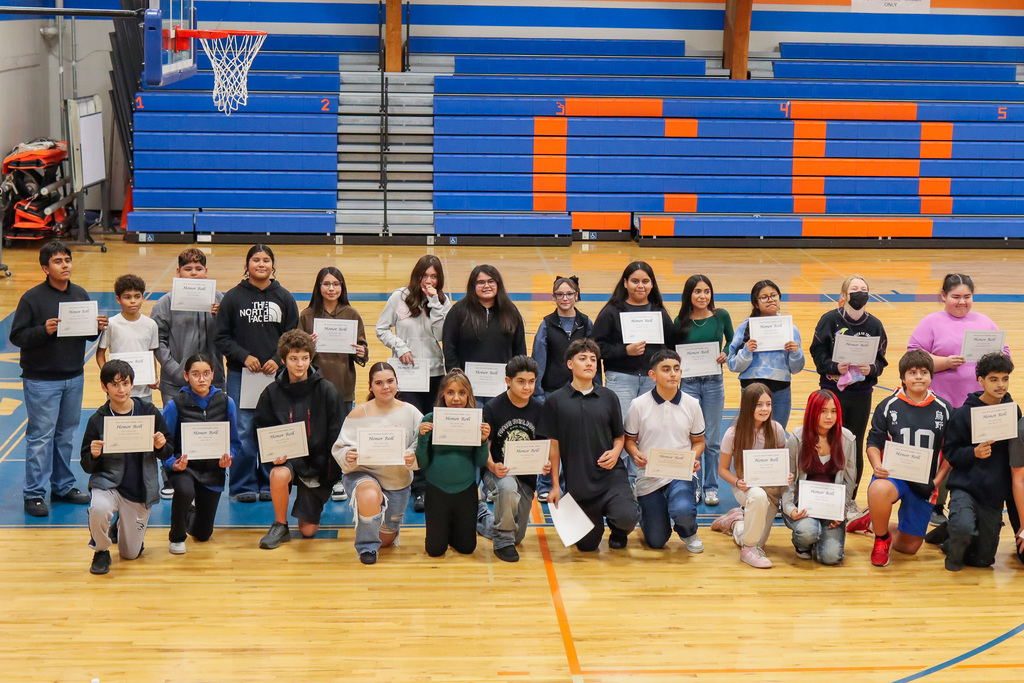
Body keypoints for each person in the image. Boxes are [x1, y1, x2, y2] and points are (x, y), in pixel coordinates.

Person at [10, 240, 108, 517]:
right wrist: (44, 330)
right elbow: (17, 336)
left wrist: (96, 327)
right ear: (45, 268)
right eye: (58, 261)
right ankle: (34, 494)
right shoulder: (32, 298)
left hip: (74, 377)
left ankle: (63, 486)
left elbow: (86, 335)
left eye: (67, 260)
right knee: (41, 437)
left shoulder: (79, 294)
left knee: (65, 436)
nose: (65, 265)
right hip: (41, 380)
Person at [907, 273, 1009, 525]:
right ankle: (935, 504)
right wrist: (943, 362)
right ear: (943, 296)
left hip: (977, 404)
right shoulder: (931, 322)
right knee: (941, 456)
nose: (962, 302)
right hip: (941, 403)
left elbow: (1005, 355)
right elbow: (913, 359)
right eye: (956, 297)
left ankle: (967, 503)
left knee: (974, 453)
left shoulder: (984, 322)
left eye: (967, 297)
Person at [846, 351, 952, 567]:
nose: (919, 377)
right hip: (895, 476)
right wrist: (877, 466)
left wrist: (937, 482)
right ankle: (881, 539)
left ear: (931, 376)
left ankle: (873, 522)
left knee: (909, 547)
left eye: (924, 372)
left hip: (925, 482)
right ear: (903, 377)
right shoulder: (888, 405)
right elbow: (873, 441)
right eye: (912, 373)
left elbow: (951, 450)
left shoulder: (944, 409)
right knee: (879, 489)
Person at [215, 244, 299, 502]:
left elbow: (293, 336)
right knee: (243, 430)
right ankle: (242, 486)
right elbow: (221, 337)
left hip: (276, 377)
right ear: (247, 265)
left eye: (266, 260)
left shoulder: (284, 297)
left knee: (272, 428)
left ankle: (269, 481)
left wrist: (278, 359)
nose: (261, 264)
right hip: (242, 376)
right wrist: (244, 356)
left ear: (273, 266)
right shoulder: (233, 297)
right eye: (255, 260)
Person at [539, 339, 640, 551]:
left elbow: (619, 436)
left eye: (593, 359)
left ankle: (619, 530)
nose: (589, 363)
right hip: (580, 483)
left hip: (611, 477)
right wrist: (556, 486)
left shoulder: (608, 397)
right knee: (587, 545)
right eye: (583, 358)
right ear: (570, 364)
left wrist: (615, 451)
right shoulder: (555, 401)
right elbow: (553, 447)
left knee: (626, 517)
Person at [254, 330, 344, 550]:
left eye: (304, 358)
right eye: (293, 359)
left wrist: (329, 473)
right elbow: (261, 431)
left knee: (307, 531)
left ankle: (310, 503)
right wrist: (272, 456)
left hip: (318, 464)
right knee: (278, 473)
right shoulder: (270, 393)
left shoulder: (327, 391)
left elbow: (337, 435)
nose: (300, 364)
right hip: (289, 459)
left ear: (310, 358)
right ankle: (280, 525)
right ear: (283, 360)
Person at [81, 360, 172, 575]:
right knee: (99, 508)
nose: (121, 390)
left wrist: (161, 446)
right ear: (104, 387)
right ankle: (101, 550)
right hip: (108, 485)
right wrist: (93, 455)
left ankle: (121, 526)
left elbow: (168, 451)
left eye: (125, 383)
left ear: (132, 384)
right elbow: (86, 464)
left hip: (139, 490)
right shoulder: (97, 419)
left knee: (130, 554)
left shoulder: (148, 411)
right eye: (115, 385)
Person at [375, 254, 451, 512]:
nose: (428, 281)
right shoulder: (399, 298)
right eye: (424, 275)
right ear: (416, 275)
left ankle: (433, 484)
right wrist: (400, 346)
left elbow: (443, 335)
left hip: (435, 373)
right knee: (414, 430)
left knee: (434, 429)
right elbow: (382, 329)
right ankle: (416, 487)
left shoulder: (442, 301)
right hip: (408, 374)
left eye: (433, 277)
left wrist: (435, 302)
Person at [592, 261, 674, 481]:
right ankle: (623, 481)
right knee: (623, 429)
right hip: (621, 378)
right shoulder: (611, 312)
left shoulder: (659, 312)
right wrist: (624, 351)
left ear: (652, 284)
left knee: (651, 429)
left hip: (652, 380)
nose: (641, 285)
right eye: (635, 281)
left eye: (645, 281)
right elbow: (595, 348)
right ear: (625, 282)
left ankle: (650, 479)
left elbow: (671, 348)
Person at [332, 362, 422, 565]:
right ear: (370, 386)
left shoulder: (411, 413)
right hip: (363, 474)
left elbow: (421, 443)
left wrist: (412, 455)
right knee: (370, 495)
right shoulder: (358, 413)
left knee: (386, 540)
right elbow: (339, 447)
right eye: (379, 383)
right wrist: (348, 455)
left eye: (390, 381)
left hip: (396, 480)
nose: (385, 387)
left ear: (397, 383)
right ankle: (366, 547)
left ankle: (376, 524)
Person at [809, 275, 887, 498]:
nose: (859, 292)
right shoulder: (829, 320)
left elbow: (881, 360)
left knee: (854, 443)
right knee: (826, 439)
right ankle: (823, 493)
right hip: (832, 392)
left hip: (861, 395)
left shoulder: (875, 325)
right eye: (854, 289)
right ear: (843, 295)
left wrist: (870, 369)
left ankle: (849, 497)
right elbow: (817, 352)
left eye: (864, 288)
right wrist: (834, 367)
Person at [941, 352, 1019, 571]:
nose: (1000, 385)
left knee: (983, 561)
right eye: (994, 379)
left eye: (1005, 379)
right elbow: (950, 453)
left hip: (993, 495)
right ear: (981, 381)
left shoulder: (1013, 411)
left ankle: (952, 531)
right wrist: (972, 453)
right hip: (965, 487)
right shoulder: (963, 414)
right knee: (963, 529)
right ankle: (953, 552)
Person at [623, 350, 705, 553]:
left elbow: (699, 441)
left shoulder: (692, 404)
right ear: (653, 375)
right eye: (666, 369)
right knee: (657, 541)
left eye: (676, 369)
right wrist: (635, 454)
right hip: (650, 476)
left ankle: (688, 531)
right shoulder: (638, 405)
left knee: (683, 510)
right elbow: (629, 441)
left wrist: (693, 458)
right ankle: (648, 517)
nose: (672, 374)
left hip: (680, 474)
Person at [299, 266, 368, 503]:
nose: (331, 288)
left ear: (342, 287)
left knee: (342, 434)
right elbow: (296, 351)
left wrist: (361, 351)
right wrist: (307, 344)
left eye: (336, 284)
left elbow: (362, 354)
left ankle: (339, 478)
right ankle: (316, 474)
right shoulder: (307, 315)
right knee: (315, 433)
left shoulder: (352, 314)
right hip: (314, 387)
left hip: (343, 386)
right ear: (319, 287)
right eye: (326, 284)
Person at [161, 353, 239, 555]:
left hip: (213, 470)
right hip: (184, 468)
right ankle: (176, 537)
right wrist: (172, 463)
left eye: (206, 373)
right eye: (195, 374)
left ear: (213, 374)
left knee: (203, 535)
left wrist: (228, 456)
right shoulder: (175, 404)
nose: (201, 379)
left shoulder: (226, 402)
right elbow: (165, 445)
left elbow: (234, 441)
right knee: (185, 491)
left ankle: (189, 510)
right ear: (186, 376)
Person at [710, 383, 790, 569]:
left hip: (770, 489)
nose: (765, 409)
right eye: (759, 404)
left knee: (757, 534)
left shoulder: (776, 429)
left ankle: (736, 522)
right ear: (748, 406)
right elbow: (722, 470)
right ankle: (748, 549)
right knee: (757, 496)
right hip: (744, 489)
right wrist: (738, 482)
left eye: (768, 404)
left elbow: (780, 462)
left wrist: (786, 474)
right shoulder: (733, 433)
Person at [478, 356, 549, 562]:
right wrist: (492, 465)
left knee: (516, 536)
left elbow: (543, 446)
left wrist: (545, 463)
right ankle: (501, 542)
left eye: (531, 381)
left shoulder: (539, 409)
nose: (527, 387)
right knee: (507, 488)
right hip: (499, 472)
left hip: (526, 475)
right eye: (521, 381)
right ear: (508, 381)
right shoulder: (493, 407)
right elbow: (485, 447)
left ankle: (482, 516)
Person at [416, 369, 491, 557]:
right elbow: (422, 463)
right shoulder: (430, 420)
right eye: (450, 392)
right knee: (434, 550)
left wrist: (483, 441)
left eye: (462, 393)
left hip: (466, 491)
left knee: (467, 548)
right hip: (436, 490)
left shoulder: (477, 420)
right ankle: (443, 529)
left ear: (469, 396)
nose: (456, 398)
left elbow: (481, 461)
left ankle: (456, 527)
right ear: (442, 394)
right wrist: (423, 438)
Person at [531, 275, 594, 502]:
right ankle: (546, 483)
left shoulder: (586, 323)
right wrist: (538, 393)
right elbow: (537, 360)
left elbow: (594, 358)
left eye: (569, 294)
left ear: (576, 295)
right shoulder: (546, 324)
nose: (565, 298)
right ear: (553, 297)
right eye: (560, 294)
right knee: (549, 440)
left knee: (575, 440)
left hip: (579, 392)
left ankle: (570, 484)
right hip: (551, 392)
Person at [674, 274, 733, 506]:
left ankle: (711, 487)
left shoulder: (721, 316)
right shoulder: (680, 320)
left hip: (713, 382)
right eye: (697, 291)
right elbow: (671, 349)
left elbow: (733, 340)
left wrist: (726, 352)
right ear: (689, 294)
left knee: (712, 440)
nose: (702, 296)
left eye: (706, 291)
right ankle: (692, 484)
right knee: (690, 437)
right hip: (688, 383)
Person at [781, 390, 857, 566]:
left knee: (831, 558)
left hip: (831, 509)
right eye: (823, 411)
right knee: (807, 532)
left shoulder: (847, 439)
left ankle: (821, 538)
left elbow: (849, 480)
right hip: (803, 507)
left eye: (833, 411)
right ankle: (804, 544)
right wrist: (790, 508)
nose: (829, 416)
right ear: (812, 412)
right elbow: (788, 479)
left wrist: (842, 511)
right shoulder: (797, 440)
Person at [727, 280, 805, 430]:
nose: (770, 299)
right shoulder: (745, 328)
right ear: (756, 303)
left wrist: (796, 352)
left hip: (781, 391)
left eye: (773, 295)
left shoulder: (790, 329)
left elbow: (796, 369)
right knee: (751, 437)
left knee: (777, 437)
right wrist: (746, 351)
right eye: (764, 297)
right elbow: (732, 365)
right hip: (751, 390)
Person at [152, 248, 225, 406]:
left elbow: (229, 335)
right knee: (175, 429)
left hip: (213, 382)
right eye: (188, 269)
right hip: (175, 384)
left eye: (198, 269)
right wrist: (175, 370)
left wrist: (221, 317)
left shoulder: (219, 299)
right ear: (178, 271)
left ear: (206, 271)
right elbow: (157, 339)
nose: (193, 273)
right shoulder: (165, 303)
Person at [441, 264, 526, 379]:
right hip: (467, 385)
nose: (487, 286)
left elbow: (520, 350)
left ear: (498, 284)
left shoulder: (511, 311)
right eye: (481, 282)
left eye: (491, 281)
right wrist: (457, 378)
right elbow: (449, 349)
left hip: (501, 384)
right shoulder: (458, 311)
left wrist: (514, 378)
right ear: (473, 286)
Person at [96, 274, 160, 403]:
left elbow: (151, 354)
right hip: (118, 390)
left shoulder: (151, 324)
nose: (132, 301)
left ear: (143, 298)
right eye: (127, 297)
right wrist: (109, 376)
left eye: (137, 297)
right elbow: (100, 354)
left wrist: (154, 376)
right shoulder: (112, 324)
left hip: (143, 391)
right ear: (118, 300)